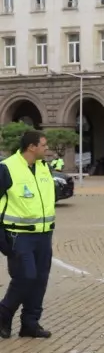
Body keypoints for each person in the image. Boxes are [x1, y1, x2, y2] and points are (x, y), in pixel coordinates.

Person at [0, 131, 57, 339]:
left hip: (44, 235)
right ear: (31, 147)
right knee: (25, 277)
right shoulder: (7, 168)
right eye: (44, 145)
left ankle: (30, 324)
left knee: (40, 279)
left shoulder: (44, 168)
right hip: (19, 236)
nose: (47, 149)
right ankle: (3, 315)